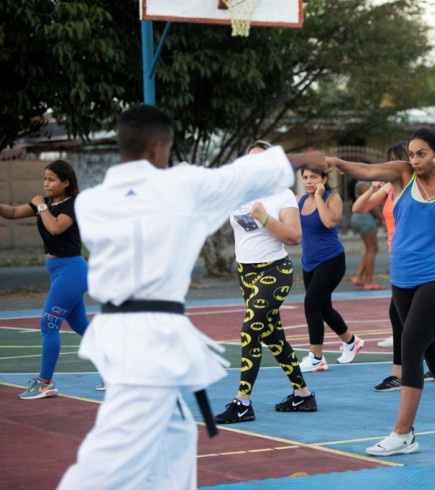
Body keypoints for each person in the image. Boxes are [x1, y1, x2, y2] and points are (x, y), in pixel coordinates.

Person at [57, 104, 327, 489]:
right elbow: (255, 170)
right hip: (153, 333)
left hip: (116, 329)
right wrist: (310, 159)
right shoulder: (182, 189)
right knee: (113, 449)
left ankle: (292, 392)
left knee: (176, 433)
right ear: (158, 148)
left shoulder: (91, 202)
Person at [328, 128, 435, 456]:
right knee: (431, 350)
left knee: (410, 345)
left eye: (422, 153)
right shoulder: (401, 176)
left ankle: (403, 434)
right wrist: (337, 162)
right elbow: (367, 172)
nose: (415, 159)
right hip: (403, 280)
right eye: (412, 154)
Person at [214, 140, 316, 424]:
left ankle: (243, 402)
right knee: (272, 335)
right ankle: (303, 394)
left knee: (250, 329)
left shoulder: (282, 195)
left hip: (275, 271)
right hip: (246, 273)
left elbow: (294, 236)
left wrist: (265, 217)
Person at [350, 143, 435, 392]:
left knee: (409, 329)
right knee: (423, 332)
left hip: (428, 264)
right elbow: (358, 208)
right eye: (386, 162)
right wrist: (372, 188)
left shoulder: (423, 187)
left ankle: (400, 375)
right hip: (401, 262)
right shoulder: (390, 187)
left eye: (394, 161)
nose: (389, 167)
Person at [1, 160, 90, 400]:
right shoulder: (47, 203)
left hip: (72, 271)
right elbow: (11, 212)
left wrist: (41, 206)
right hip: (59, 272)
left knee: (48, 323)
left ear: (66, 182)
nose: (45, 184)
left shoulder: (72, 205)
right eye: (45, 179)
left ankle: (45, 383)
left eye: (51, 180)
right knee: (82, 325)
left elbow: (55, 229)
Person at [297, 167, 364, 373]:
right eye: (305, 178)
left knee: (311, 304)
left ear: (324, 179)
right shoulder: (298, 199)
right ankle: (352, 342)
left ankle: (316, 358)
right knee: (323, 308)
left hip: (332, 261)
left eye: (314, 177)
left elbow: (328, 222)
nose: (309, 181)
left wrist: (318, 196)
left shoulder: (331, 198)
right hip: (309, 263)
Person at [349, 175, 385, 290]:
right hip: (364, 218)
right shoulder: (362, 184)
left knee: (372, 248)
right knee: (372, 249)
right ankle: (368, 282)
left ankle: (358, 277)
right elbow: (370, 203)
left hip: (361, 218)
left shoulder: (364, 183)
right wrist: (380, 218)